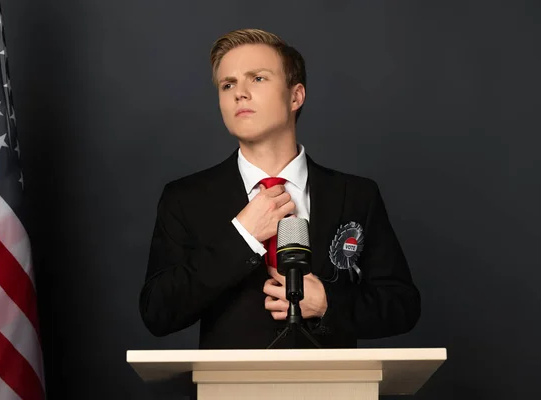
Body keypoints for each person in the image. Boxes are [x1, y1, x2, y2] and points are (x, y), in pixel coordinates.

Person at [139, 28, 420, 349]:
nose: (239, 93)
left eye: (257, 78)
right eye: (227, 84)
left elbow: (403, 306)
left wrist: (329, 304)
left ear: (295, 96)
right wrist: (242, 237)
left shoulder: (356, 195)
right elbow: (157, 312)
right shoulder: (185, 198)